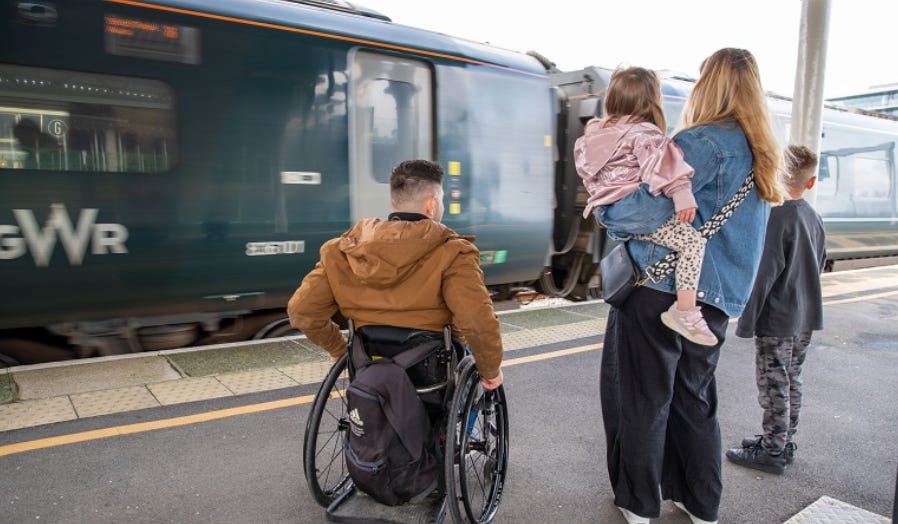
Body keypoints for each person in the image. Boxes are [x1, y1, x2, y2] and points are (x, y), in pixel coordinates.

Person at [597, 48, 785, 524]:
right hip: (715, 301)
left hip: (659, 289)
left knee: (644, 396)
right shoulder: (763, 150)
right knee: (695, 398)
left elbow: (642, 211)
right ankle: (699, 502)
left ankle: (638, 503)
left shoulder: (699, 142)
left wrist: (603, 209)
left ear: (709, 85)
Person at [286, 159, 504, 391]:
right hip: (432, 372)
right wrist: (491, 370)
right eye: (441, 200)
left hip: (367, 363)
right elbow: (475, 320)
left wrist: (339, 349)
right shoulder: (454, 251)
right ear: (431, 204)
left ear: (394, 201)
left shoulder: (340, 250)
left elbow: (302, 311)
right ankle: (470, 427)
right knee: (472, 362)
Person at [574, 66, 716, 346]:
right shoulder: (645, 133)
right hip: (638, 208)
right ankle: (684, 311)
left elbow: (588, 174)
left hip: (610, 211)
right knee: (692, 243)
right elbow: (664, 167)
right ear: (652, 101)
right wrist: (682, 194)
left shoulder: (593, 135)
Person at [725, 144, 826, 474]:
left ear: (776, 172)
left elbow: (764, 274)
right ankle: (783, 443)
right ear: (810, 183)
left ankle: (771, 451)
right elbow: (820, 263)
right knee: (792, 379)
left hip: (778, 319)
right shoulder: (813, 217)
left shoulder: (775, 218)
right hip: (805, 317)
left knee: (773, 384)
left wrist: (746, 322)